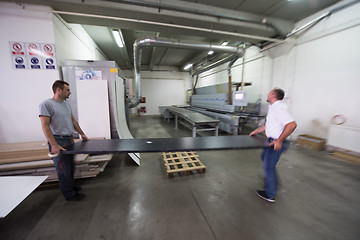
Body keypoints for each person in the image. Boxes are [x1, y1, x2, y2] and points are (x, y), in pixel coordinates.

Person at [39, 80, 89, 201]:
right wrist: (54, 145)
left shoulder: (66, 104)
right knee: (63, 169)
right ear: (58, 90)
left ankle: (70, 187)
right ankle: (68, 194)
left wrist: (82, 133)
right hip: (58, 140)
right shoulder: (46, 104)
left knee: (70, 166)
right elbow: (45, 126)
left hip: (69, 139)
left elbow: (73, 121)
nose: (70, 92)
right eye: (67, 90)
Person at [250, 88, 297, 203]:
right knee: (264, 159)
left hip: (276, 142)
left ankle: (270, 194)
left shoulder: (279, 108)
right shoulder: (274, 107)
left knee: (268, 165)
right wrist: (258, 130)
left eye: (269, 92)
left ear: (272, 95)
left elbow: (292, 125)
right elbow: (270, 124)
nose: (267, 94)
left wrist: (279, 140)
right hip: (271, 140)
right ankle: (274, 183)